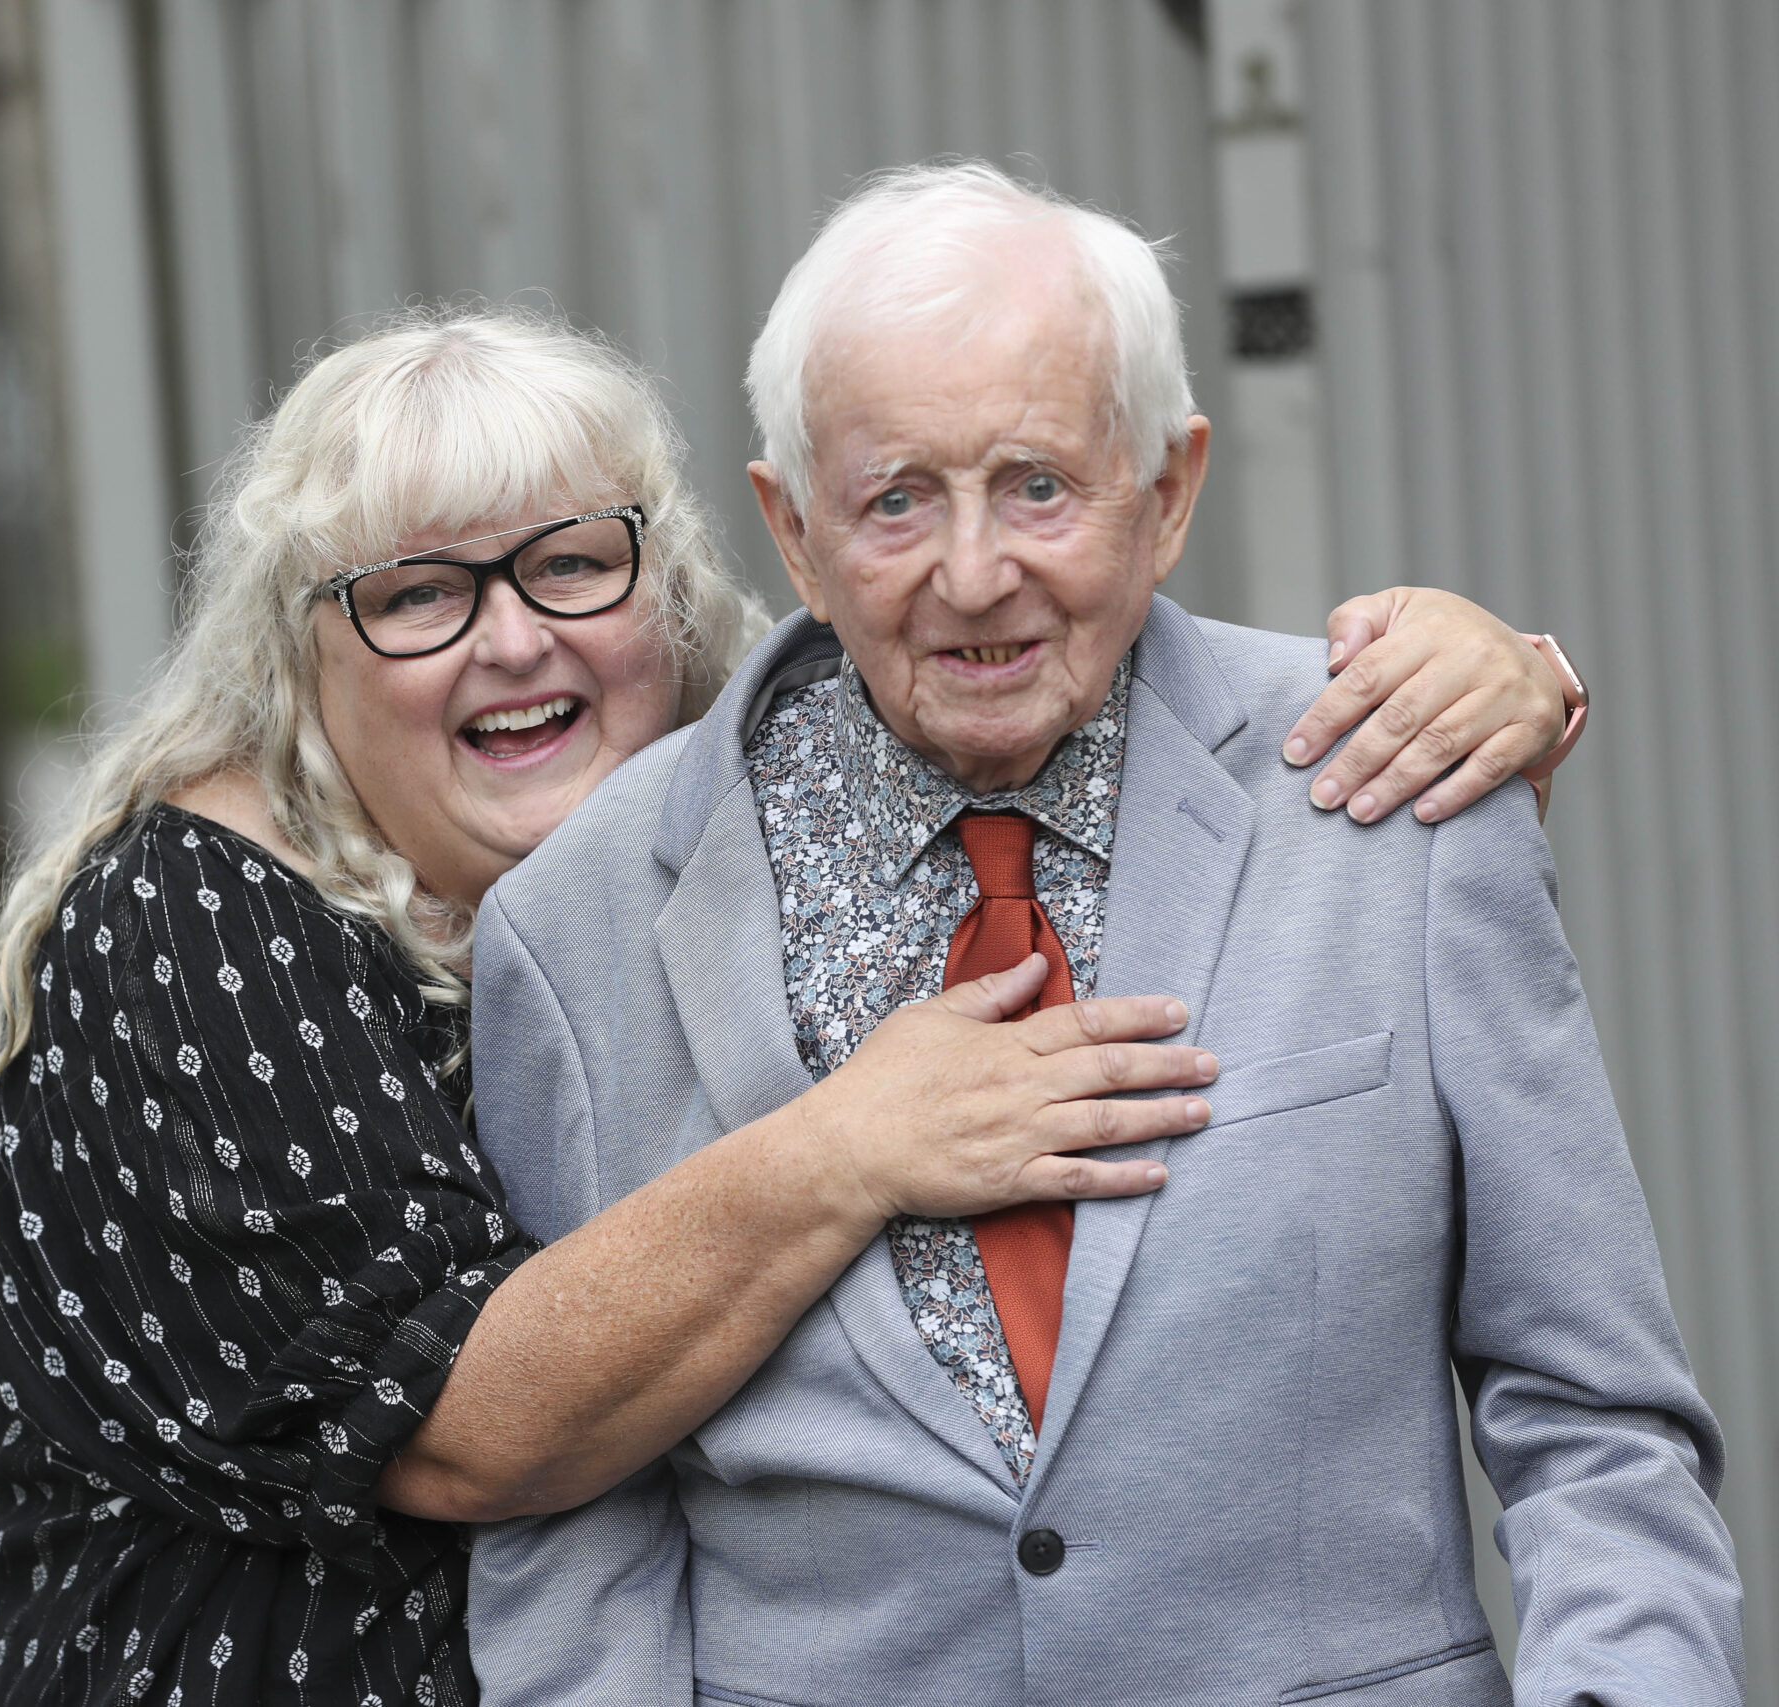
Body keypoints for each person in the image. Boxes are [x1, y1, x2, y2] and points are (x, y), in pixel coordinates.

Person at [0, 298, 1579, 1707]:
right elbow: (466, 1433)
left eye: (571, 563)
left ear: (677, 584)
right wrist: (846, 1147)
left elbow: (1059, 699)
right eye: (416, 593)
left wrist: (1487, 687)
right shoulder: (190, 922)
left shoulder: (738, 813)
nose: (512, 642)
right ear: (300, 666)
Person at [464, 164, 1739, 1705]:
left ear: (1171, 488)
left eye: (1040, 486)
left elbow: (1594, 1418)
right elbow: (573, 1529)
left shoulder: (1398, 790)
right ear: (791, 531)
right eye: (896, 500)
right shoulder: (578, 925)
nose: (975, 572)